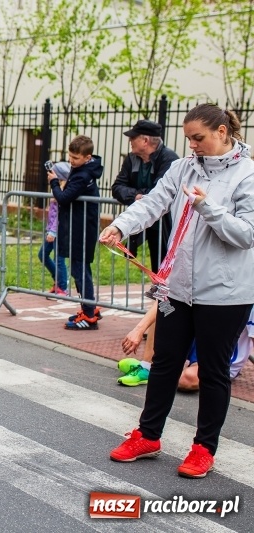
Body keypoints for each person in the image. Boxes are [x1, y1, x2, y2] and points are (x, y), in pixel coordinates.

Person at [101, 103, 254, 479]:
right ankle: (148, 436)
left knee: (214, 371)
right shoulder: (183, 167)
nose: (193, 146)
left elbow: (246, 234)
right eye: (188, 139)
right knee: (164, 363)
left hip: (226, 294)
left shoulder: (248, 174)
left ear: (222, 132)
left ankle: (204, 448)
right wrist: (121, 226)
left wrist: (207, 208)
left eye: (199, 138)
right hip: (177, 288)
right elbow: (154, 203)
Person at [118, 306, 254, 389]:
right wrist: (138, 330)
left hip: (220, 356)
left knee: (187, 379)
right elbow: (163, 296)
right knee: (165, 307)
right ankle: (147, 367)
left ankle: (163, 372)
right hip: (199, 334)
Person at [48, 135, 103, 330]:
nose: (71, 161)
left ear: (87, 157)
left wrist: (54, 182)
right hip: (80, 226)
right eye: (70, 156)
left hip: (81, 229)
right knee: (80, 269)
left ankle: (89, 315)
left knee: (79, 271)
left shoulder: (83, 175)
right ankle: (89, 307)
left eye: (76, 158)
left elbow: (63, 197)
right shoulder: (83, 170)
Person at [112, 120, 179, 271]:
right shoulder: (131, 159)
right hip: (141, 218)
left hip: (164, 222)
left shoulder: (169, 159)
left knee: (163, 266)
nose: (130, 141)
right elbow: (117, 187)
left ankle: (164, 293)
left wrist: (143, 195)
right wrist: (137, 195)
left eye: (133, 137)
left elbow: (160, 192)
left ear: (145, 140)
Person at [39, 161, 70, 296]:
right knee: (42, 255)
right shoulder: (56, 190)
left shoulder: (62, 193)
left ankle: (62, 287)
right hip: (51, 229)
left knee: (59, 258)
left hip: (57, 231)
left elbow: (59, 215)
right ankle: (57, 280)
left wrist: (52, 231)